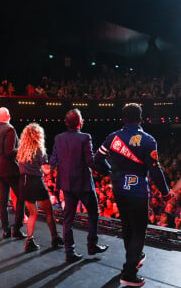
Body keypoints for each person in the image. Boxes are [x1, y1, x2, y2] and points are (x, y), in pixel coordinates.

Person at [94, 103, 171, 287]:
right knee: (139, 231)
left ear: (123, 118)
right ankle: (129, 273)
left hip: (119, 190)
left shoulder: (113, 138)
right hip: (138, 192)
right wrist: (166, 192)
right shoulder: (148, 140)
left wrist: (111, 172)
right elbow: (155, 170)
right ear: (141, 118)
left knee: (128, 227)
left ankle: (134, 257)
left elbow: (96, 160)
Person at [49, 109, 108, 263]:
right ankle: (92, 245)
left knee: (68, 219)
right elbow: (90, 162)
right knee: (93, 213)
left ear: (66, 123)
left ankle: (70, 253)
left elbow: (53, 161)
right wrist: (106, 170)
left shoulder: (58, 138)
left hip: (67, 185)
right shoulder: (85, 137)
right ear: (80, 122)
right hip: (83, 184)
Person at [17, 123, 63, 252]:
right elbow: (46, 171)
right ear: (37, 135)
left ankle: (29, 241)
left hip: (23, 182)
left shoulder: (21, 150)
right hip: (35, 182)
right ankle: (55, 238)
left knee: (33, 213)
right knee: (49, 212)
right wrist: (54, 164)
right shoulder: (39, 149)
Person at [0, 107, 26, 239]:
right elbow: (10, 152)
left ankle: (6, 230)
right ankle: (17, 229)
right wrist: (21, 146)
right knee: (21, 197)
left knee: (4, 200)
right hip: (10, 169)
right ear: (9, 115)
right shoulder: (10, 129)